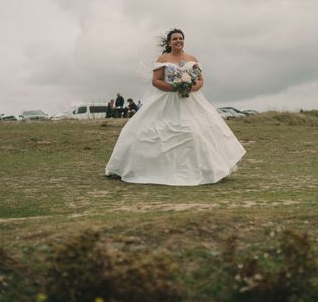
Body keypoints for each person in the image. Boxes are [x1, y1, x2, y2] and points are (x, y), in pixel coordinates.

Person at [105, 28, 245, 185]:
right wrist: (175, 88)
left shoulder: (192, 58)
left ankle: (205, 170)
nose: (178, 41)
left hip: (191, 100)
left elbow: (200, 80)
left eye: (181, 38)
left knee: (197, 132)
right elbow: (156, 80)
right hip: (167, 99)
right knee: (147, 131)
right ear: (169, 42)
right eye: (175, 39)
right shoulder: (163, 59)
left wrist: (190, 88)